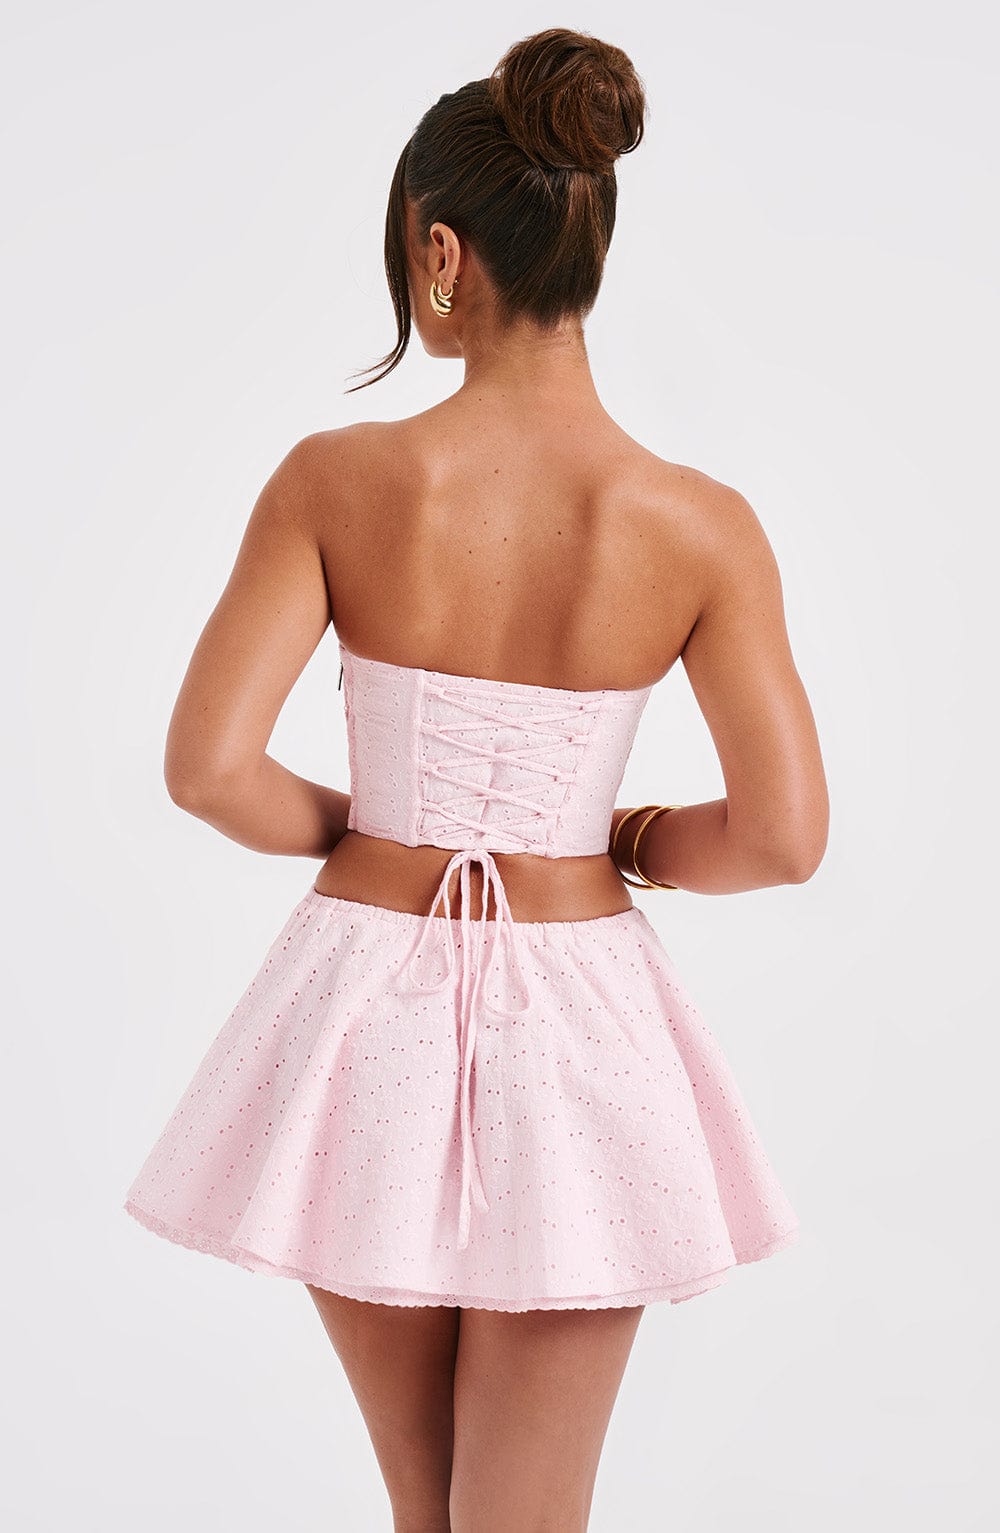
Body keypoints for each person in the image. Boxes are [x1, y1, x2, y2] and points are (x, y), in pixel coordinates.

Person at [123, 27, 828, 1533]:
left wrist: (369, 827)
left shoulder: (337, 482)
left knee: (427, 1512)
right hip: (579, 1022)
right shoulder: (697, 525)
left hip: (356, 1003)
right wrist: (622, 834)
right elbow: (782, 838)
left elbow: (208, 769)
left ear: (441, 252)